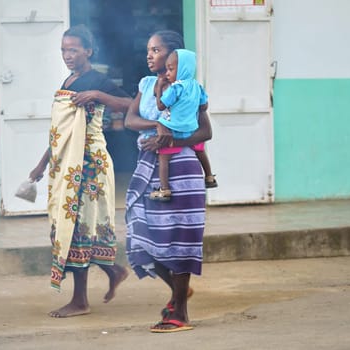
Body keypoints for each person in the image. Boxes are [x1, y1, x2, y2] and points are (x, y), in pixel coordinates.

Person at [29, 24, 131, 318]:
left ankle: (80, 301)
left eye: (73, 49)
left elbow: (131, 104)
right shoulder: (70, 79)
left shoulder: (97, 80)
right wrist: (41, 164)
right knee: (72, 227)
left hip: (89, 164)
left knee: (79, 227)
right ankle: (114, 271)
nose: (67, 55)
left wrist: (98, 94)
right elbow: (62, 132)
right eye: (63, 50)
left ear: (89, 50)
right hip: (67, 163)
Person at [124, 30, 212, 333]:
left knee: (179, 236)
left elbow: (205, 132)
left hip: (182, 167)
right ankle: (178, 291)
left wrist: (171, 137)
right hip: (148, 167)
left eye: (156, 49)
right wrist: (158, 125)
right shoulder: (146, 84)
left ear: (173, 54)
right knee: (140, 233)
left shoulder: (190, 88)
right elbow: (130, 120)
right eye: (148, 50)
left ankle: (180, 312)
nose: (149, 55)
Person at [150, 48, 211, 201]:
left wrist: (158, 89)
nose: (168, 73)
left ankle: (164, 189)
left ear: (183, 68)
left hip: (174, 129)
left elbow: (160, 106)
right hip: (191, 129)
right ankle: (209, 176)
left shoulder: (176, 87)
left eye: (171, 69)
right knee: (200, 149)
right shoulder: (197, 87)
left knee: (163, 156)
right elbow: (204, 107)